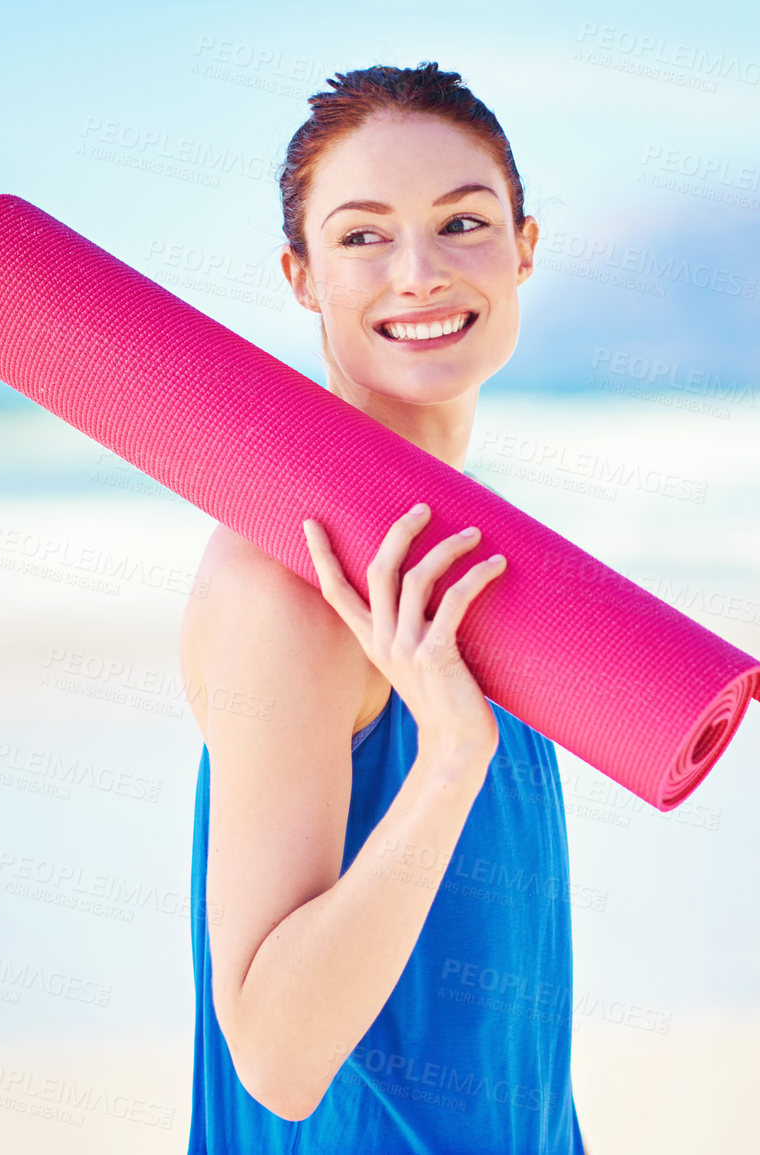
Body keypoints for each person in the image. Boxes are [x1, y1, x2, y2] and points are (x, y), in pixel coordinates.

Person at [181, 62, 588, 1152]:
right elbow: (274, 1058)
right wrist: (451, 755)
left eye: (463, 222)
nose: (419, 272)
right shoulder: (290, 589)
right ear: (301, 275)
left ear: (525, 248)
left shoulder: (477, 551)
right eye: (362, 237)